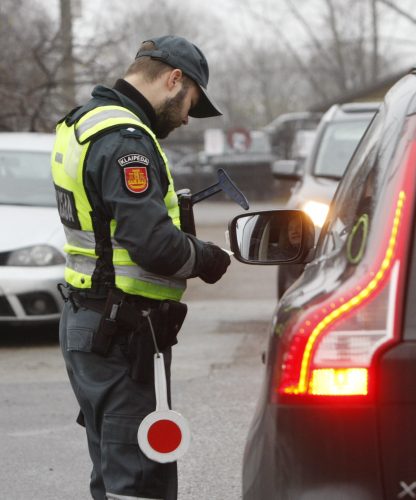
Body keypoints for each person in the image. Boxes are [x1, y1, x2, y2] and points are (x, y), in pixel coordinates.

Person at [51, 35, 230, 500]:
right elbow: (153, 245)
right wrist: (208, 258)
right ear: (174, 80)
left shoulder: (81, 123)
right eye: (191, 100)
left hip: (88, 323)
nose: (188, 116)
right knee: (138, 480)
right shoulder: (126, 139)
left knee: (112, 474)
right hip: (122, 332)